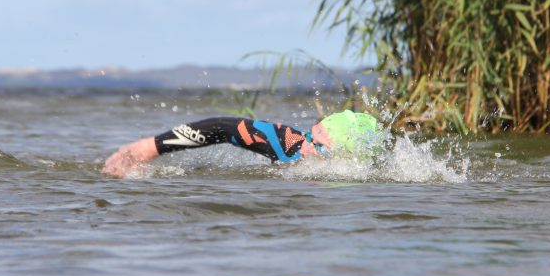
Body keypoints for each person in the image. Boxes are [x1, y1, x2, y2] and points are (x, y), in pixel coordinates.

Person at [102, 110, 380, 178]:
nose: (306, 145)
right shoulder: (290, 143)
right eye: (310, 135)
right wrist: (151, 147)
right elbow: (222, 128)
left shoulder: (354, 175)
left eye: (316, 144)